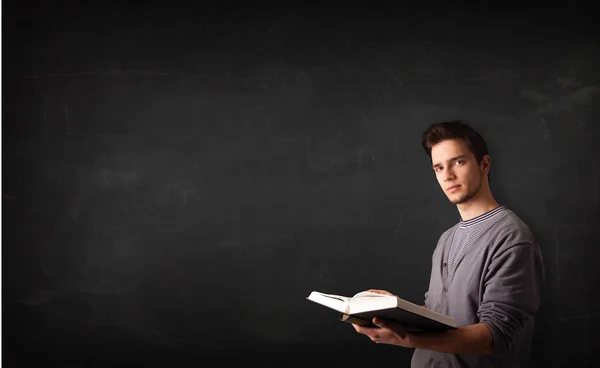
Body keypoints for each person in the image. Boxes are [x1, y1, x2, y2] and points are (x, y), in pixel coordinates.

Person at [352, 121, 545, 367]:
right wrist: (395, 310)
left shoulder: (512, 238)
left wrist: (406, 337)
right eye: (439, 167)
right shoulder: (447, 239)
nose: (447, 175)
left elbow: (495, 335)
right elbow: (439, 314)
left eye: (458, 162)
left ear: (484, 164)